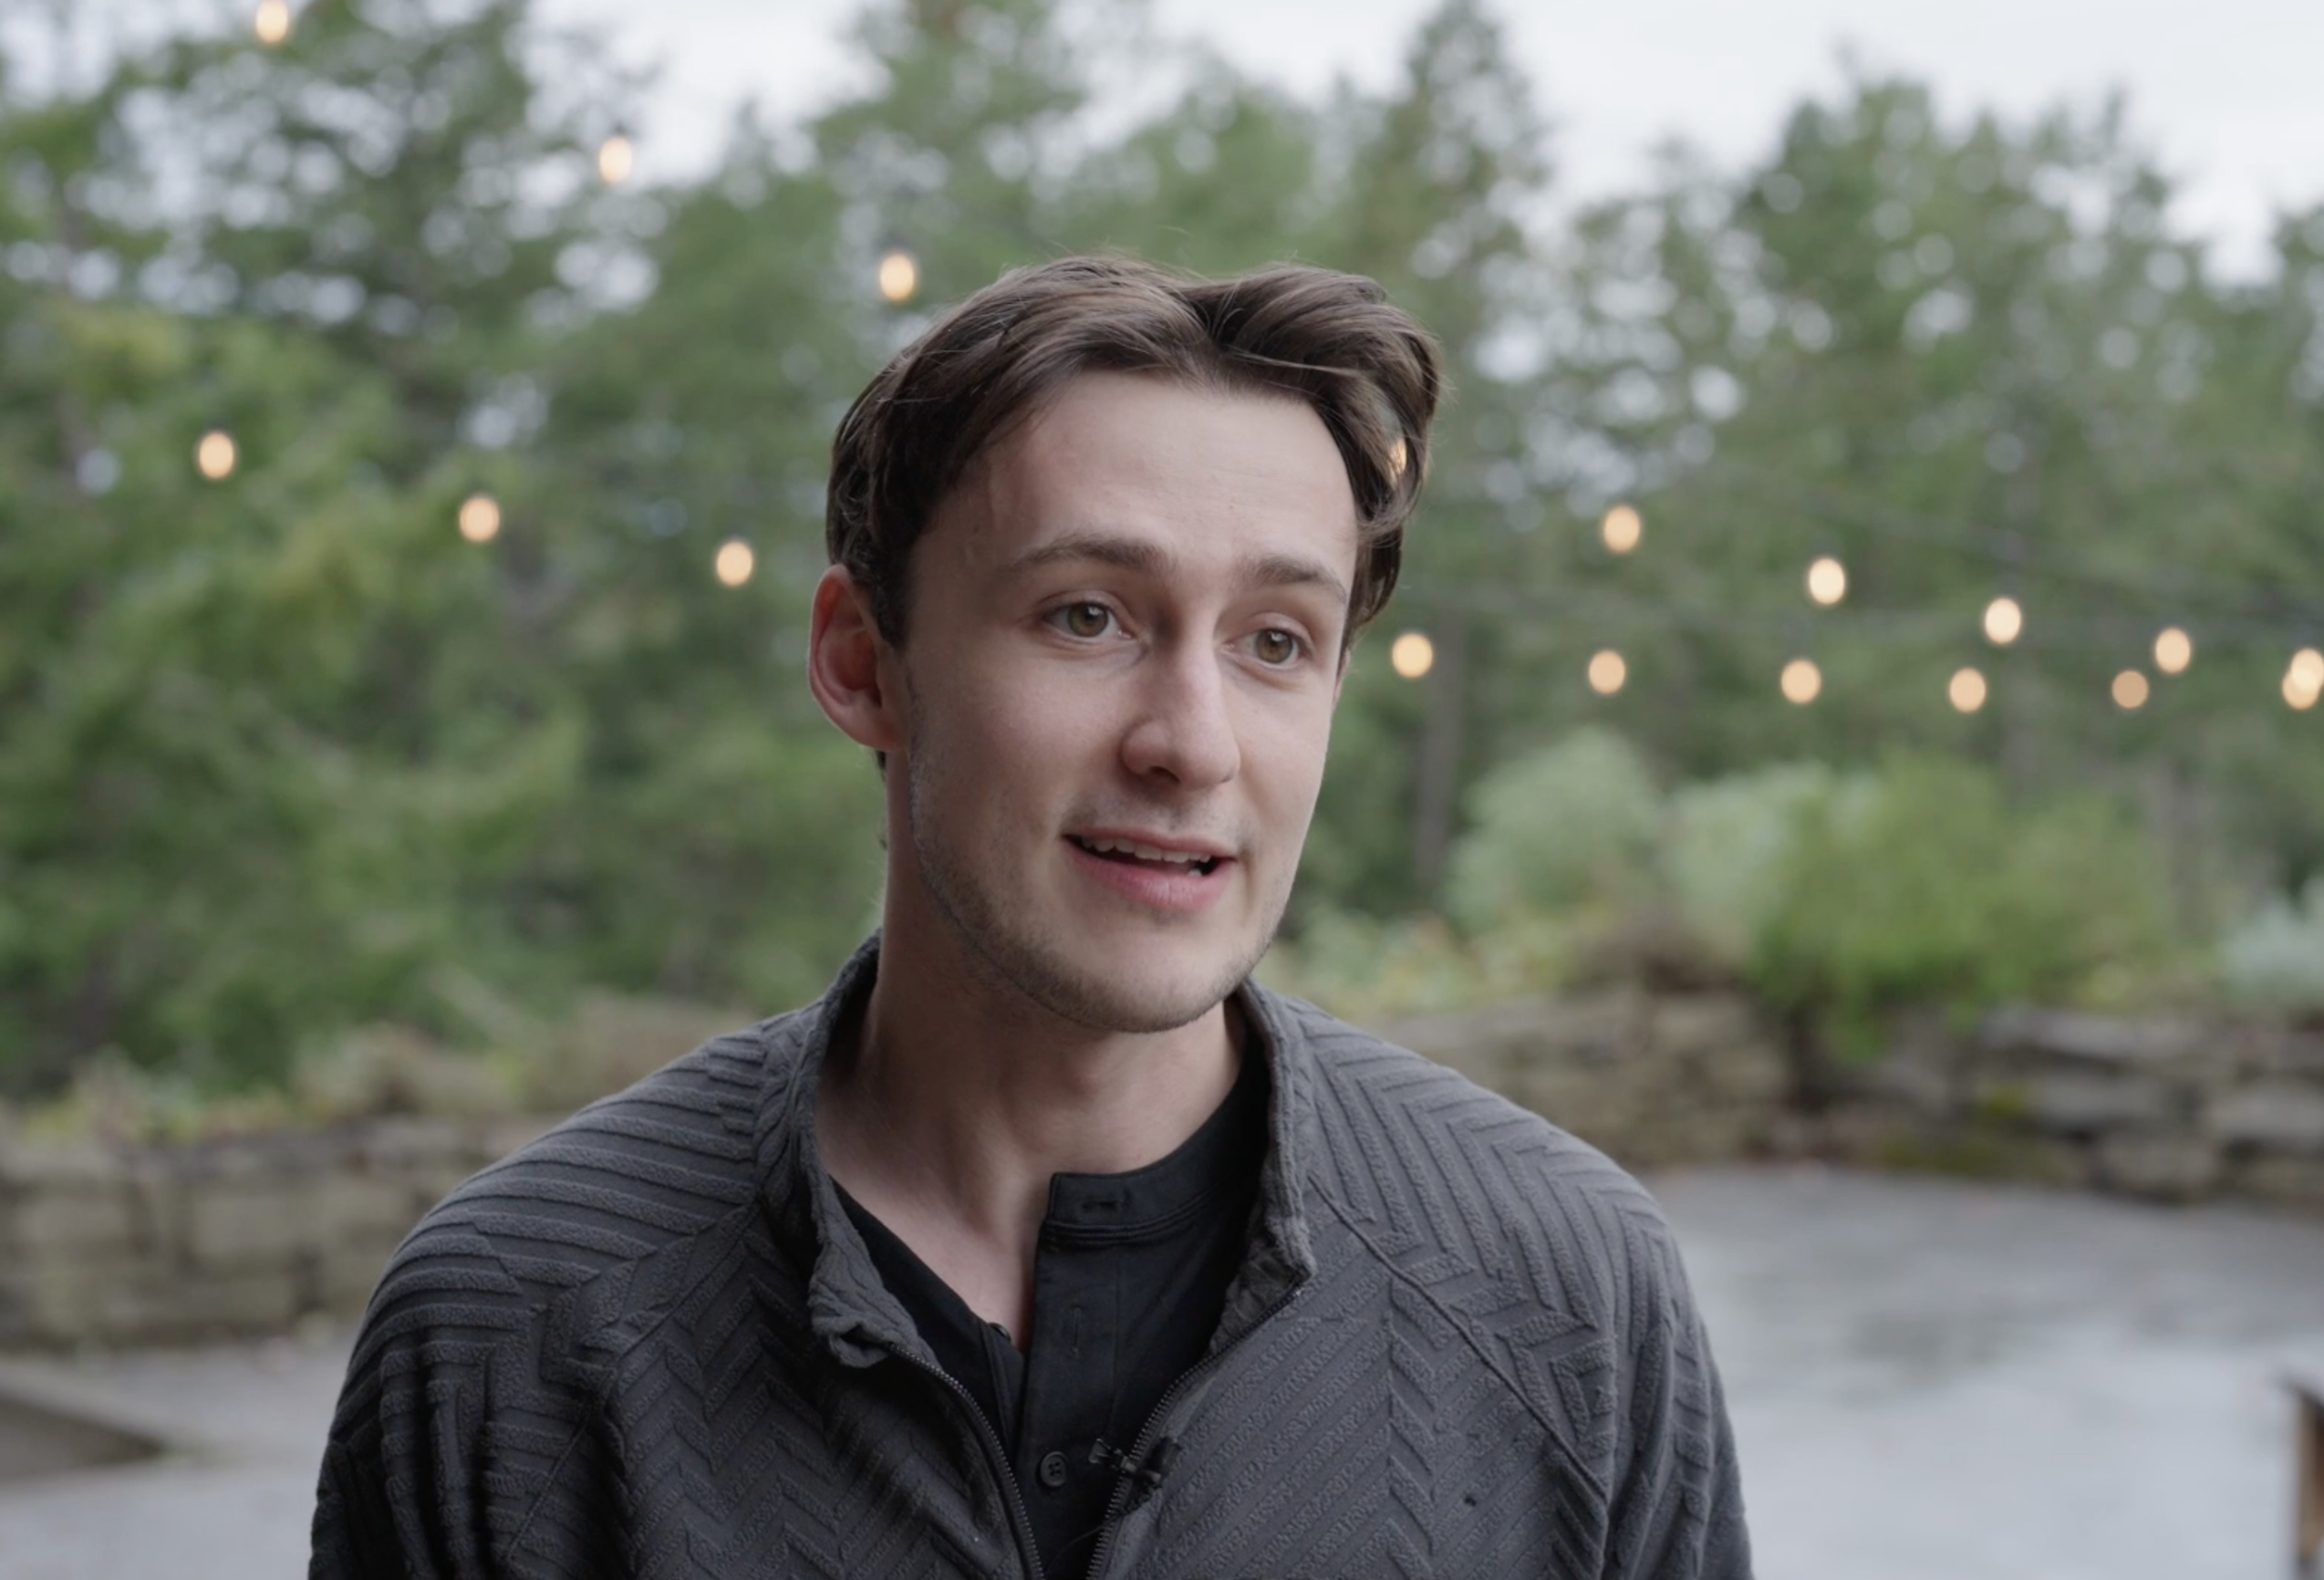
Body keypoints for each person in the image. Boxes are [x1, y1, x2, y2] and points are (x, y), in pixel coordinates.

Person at [310, 255, 1750, 1580]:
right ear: (864, 662)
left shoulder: (1571, 1298)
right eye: (1087, 616)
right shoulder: (510, 1336)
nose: (1191, 743)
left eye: (1274, 642)